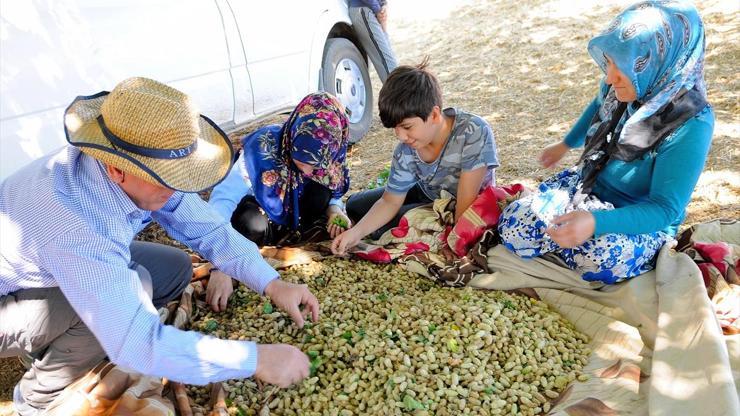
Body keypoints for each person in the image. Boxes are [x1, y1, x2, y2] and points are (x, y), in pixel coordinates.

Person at [0, 77, 320, 415]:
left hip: (45, 264)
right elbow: (136, 344)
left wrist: (272, 283)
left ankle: (64, 341)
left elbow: (209, 230)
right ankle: (38, 398)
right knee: (129, 292)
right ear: (116, 169)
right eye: (166, 176)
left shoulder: (133, 168)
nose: (177, 186)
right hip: (8, 298)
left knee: (173, 269)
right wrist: (253, 359)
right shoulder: (76, 223)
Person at [499, 0, 713, 284]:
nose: (610, 77)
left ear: (658, 61)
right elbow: (597, 109)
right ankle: (569, 244)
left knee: (597, 255)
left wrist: (596, 223)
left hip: (637, 218)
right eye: (609, 62)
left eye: (621, 65)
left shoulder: (691, 123)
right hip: (588, 187)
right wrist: (565, 144)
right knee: (516, 223)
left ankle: (574, 247)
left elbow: (664, 209)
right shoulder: (624, 82)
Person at [332, 59, 500, 255]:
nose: (400, 136)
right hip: (428, 195)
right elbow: (390, 201)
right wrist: (356, 233)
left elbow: (466, 199)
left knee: (391, 226)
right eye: (396, 128)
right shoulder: (406, 149)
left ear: (435, 115)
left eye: (407, 127)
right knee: (354, 205)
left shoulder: (473, 131)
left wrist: (457, 242)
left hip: (465, 204)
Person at [205, 92, 352, 311]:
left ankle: (293, 238)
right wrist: (220, 265)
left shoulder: (330, 149)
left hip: (303, 224)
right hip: (263, 225)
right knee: (249, 221)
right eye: (300, 160)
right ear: (291, 136)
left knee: (321, 192)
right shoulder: (262, 148)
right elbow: (222, 201)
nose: (307, 170)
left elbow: (335, 194)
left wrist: (334, 211)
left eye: (315, 166)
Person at [348, 0, 398, 82]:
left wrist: (383, 5)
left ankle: (400, 92)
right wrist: (378, 9)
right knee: (389, 64)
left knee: (389, 59)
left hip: (372, 10)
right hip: (364, 8)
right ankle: (400, 93)